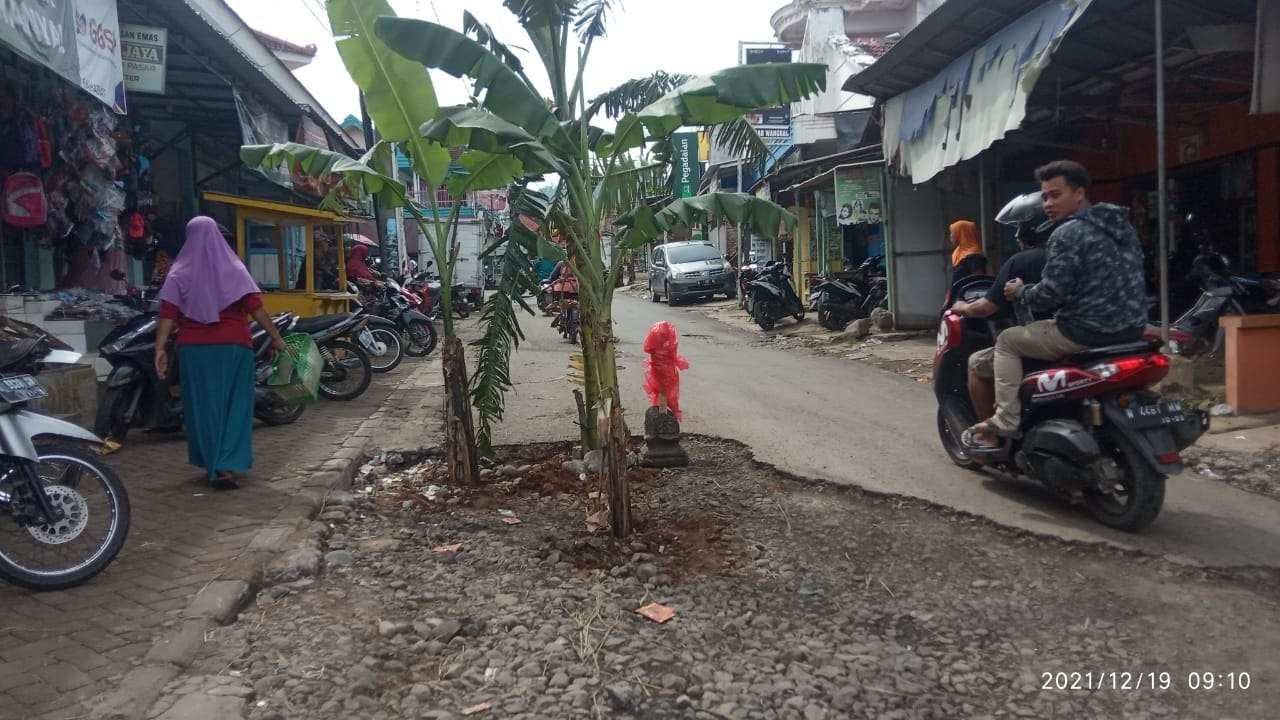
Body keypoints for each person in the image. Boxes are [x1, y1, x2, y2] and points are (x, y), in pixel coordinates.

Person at [965, 160, 1148, 446]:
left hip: (1085, 332)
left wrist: (1021, 292)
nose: (1048, 203)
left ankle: (1005, 419)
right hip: (1133, 329)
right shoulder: (1122, 227)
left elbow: (1050, 295)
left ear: (1079, 194)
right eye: (1045, 197)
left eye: (1055, 195)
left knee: (1007, 341)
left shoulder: (1066, 233)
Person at [156, 216, 289, 488]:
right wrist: (275, 337)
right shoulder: (234, 268)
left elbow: (168, 314)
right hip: (234, 347)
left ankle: (213, 463)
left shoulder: (179, 271)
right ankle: (227, 463)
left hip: (194, 350)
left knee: (202, 407)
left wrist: (159, 348)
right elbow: (255, 306)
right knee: (236, 405)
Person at [951, 217, 1052, 423]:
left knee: (982, 359)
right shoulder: (1067, 256)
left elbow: (987, 305)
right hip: (1078, 333)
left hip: (1047, 335)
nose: (1015, 235)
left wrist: (962, 307)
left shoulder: (1017, 261)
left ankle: (996, 427)